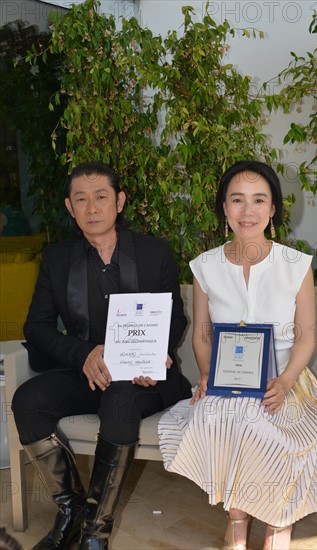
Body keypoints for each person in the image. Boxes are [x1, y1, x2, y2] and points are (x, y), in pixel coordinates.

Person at [158, 160, 317, 550]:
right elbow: (203, 336)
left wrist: (284, 382)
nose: (247, 211)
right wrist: (204, 373)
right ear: (224, 209)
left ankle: (276, 519)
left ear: (272, 211)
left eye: (258, 200)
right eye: (237, 200)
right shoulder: (205, 266)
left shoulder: (295, 265)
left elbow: (306, 339)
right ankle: (238, 517)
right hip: (225, 377)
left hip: (287, 377)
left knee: (267, 421)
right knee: (221, 413)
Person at [12, 161, 192, 550]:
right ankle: (71, 510)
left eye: (101, 197)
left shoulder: (153, 252)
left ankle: (96, 532)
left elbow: (175, 314)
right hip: (85, 373)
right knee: (27, 401)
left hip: (143, 380)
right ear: (70, 207)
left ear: (119, 201)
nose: (91, 208)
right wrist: (82, 353)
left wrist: (153, 356)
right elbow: (37, 327)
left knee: (120, 404)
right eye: (81, 199)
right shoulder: (58, 259)